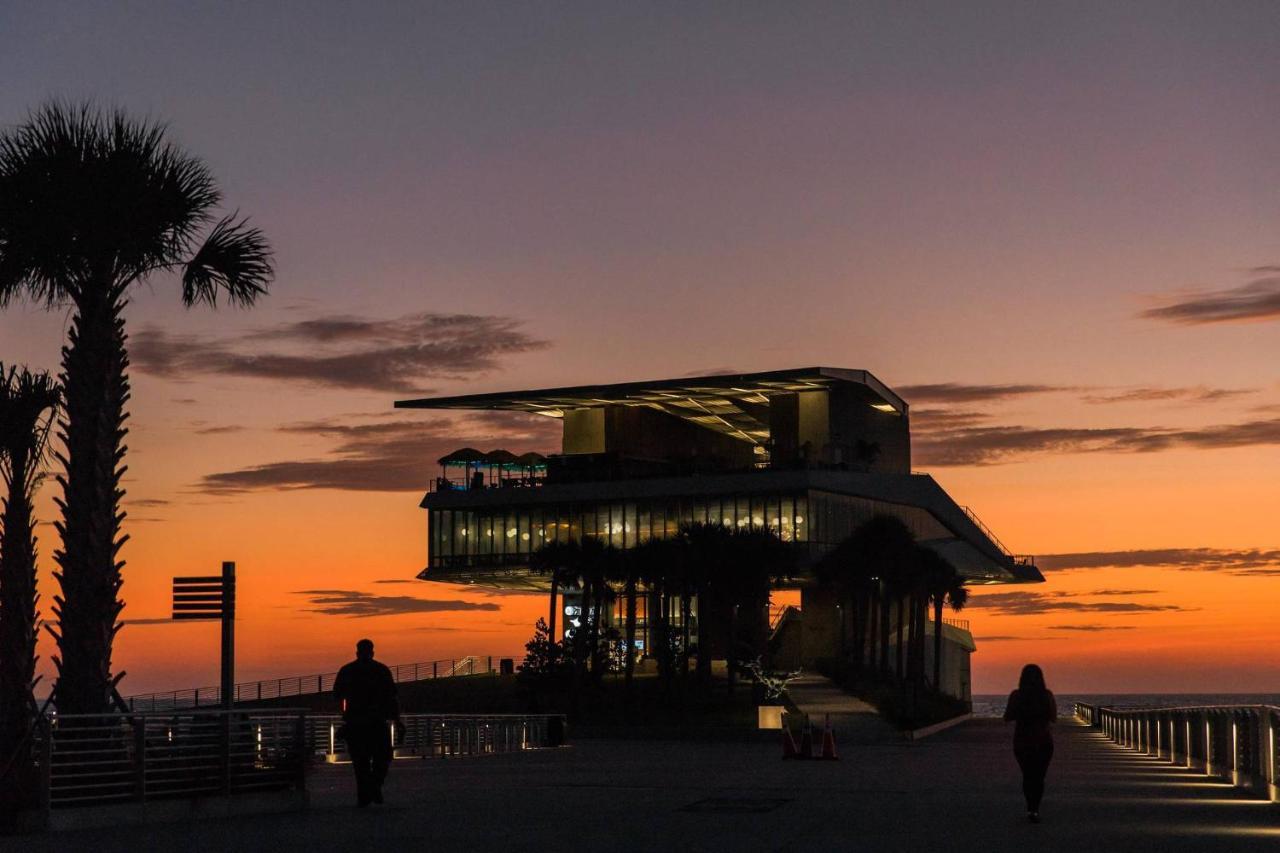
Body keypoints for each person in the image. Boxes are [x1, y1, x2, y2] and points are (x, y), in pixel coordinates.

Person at [334, 639, 400, 806]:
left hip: (355, 723)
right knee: (383, 758)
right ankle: (374, 787)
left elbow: (337, 695)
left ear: (357, 652)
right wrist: (397, 720)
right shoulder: (382, 670)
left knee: (360, 763)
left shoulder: (347, 671)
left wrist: (346, 712)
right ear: (372, 652)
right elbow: (392, 698)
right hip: (377, 722)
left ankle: (365, 795)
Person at [1003, 663, 1057, 823]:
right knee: (1039, 777)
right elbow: (1053, 717)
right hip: (1043, 741)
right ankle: (1035, 809)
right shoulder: (1046, 695)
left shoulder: (1016, 695)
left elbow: (1007, 717)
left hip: (1022, 741)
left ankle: (1030, 808)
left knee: (1027, 775)